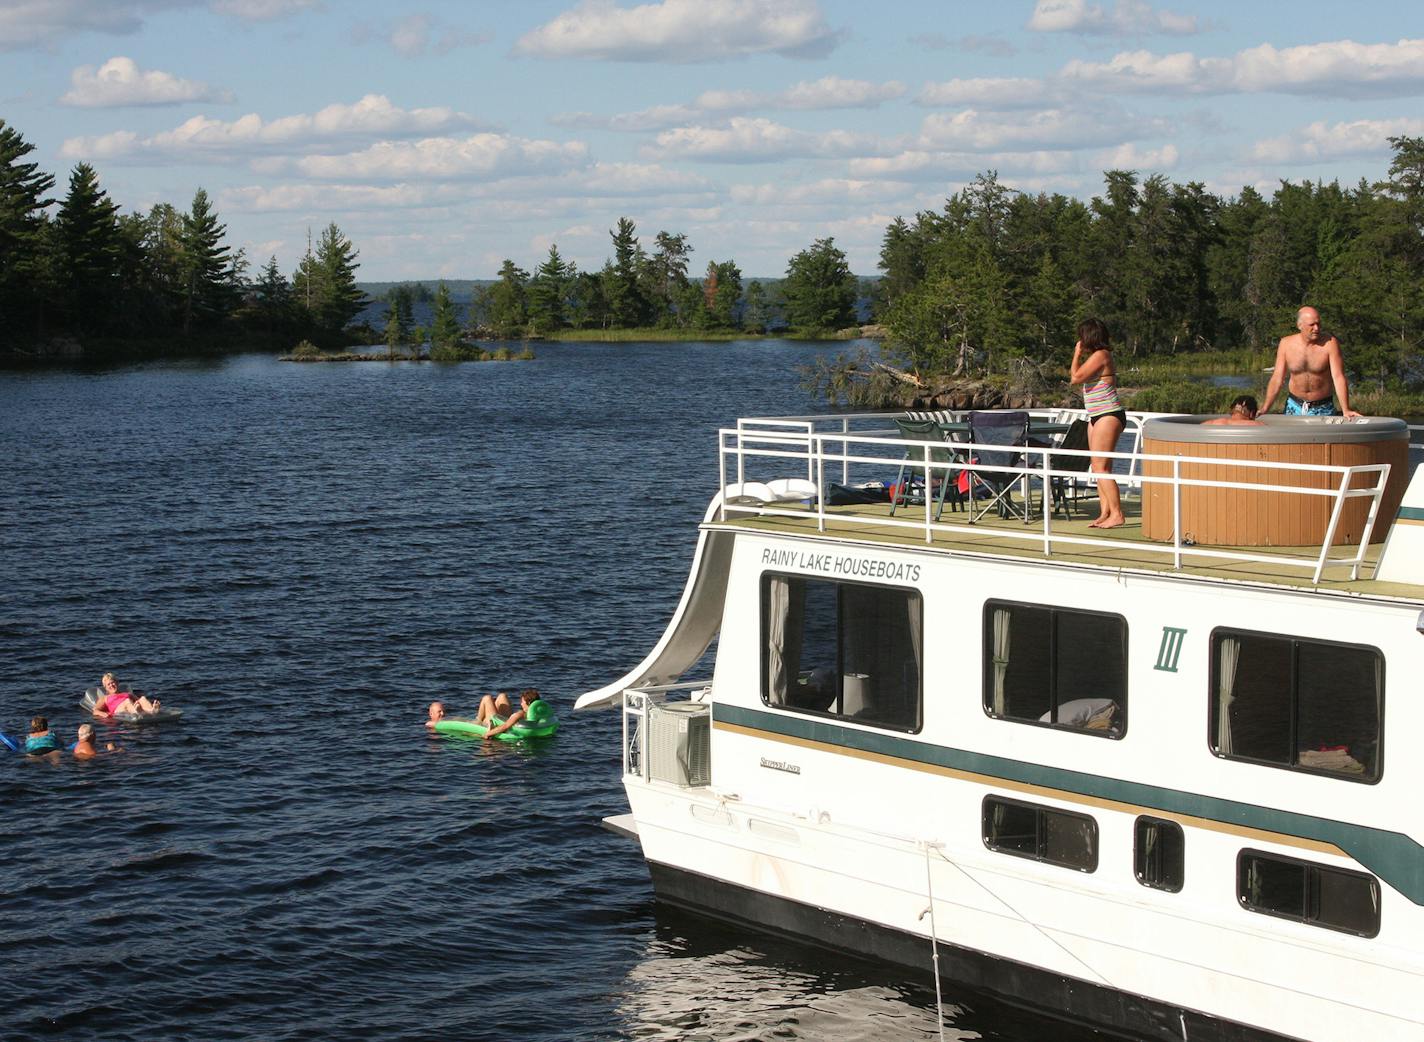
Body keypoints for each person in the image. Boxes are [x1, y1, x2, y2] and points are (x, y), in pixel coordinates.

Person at [1068, 317, 1126, 529]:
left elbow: (1075, 377)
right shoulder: (1096, 356)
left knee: (1101, 469)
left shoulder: (1101, 355)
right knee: (1100, 467)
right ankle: (1106, 512)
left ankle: (1117, 514)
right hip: (1096, 415)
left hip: (1108, 414)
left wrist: (1076, 353)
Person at [1260, 306, 1360, 417]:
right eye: (1311, 325)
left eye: (1318, 324)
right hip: (1294, 406)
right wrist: (1265, 408)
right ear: (1300, 325)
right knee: (1293, 434)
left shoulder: (1330, 343)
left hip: (1323, 407)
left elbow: (1338, 377)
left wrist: (1345, 409)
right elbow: (1277, 378)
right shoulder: (1286, 344)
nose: (1316, 328)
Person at [476, 688, 542, 742]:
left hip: (493, 724)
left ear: (528, 702)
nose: (521, 704)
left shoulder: (520, 714)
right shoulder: (539, 713)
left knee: (487, 698)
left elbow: (505, 726)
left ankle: (478, 721)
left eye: (522, 701)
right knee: (502, 696)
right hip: (506, 720)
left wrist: (487, 734)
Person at [94, 672, 160, 718]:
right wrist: (103, 714)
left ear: (117, 683)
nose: (111, 685)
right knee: (127, 701)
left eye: (113, 683)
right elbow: (95, 710)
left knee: (142, 698)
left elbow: (138, 701)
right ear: (105, 687)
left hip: (131, 706)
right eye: (109, 684)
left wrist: (141, 703)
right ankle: (137, 712)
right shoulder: (105, 698)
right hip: (118, 710)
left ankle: (152, 710)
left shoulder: (127, 694)